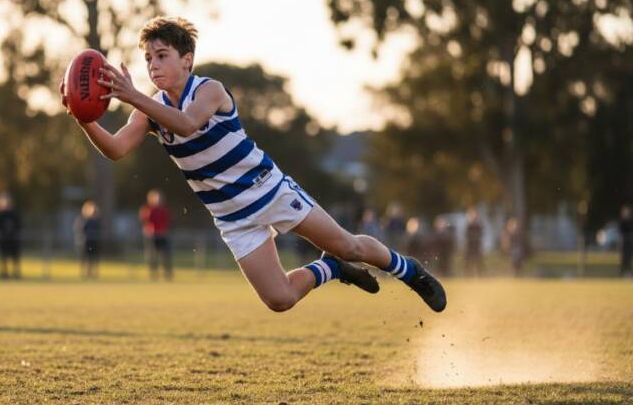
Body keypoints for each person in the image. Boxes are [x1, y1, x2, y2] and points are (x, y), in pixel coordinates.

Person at [60, 16, 446, 313]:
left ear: (187, 60)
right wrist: (83, 117)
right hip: (232, 217)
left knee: (349, 245)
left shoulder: (208, 91)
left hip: (268, 189)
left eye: (161, 56)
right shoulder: (149, 111)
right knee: (280, 300)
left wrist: (133, 96)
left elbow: (188, 123)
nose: (153, 66)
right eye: (148, 59)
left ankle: (408, 270)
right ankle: (331, 270)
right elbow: (114, 150)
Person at [138, 189, 173, 281]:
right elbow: (145, 221)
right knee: (152, 255)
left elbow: (167, 221)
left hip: (162, 234)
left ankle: (167, 274)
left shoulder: (164, 209)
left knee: (165, 255)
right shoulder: (147, 209)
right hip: (152, 235)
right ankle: (153, 274)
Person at [0, 192, 21, 279]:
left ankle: (16, 273)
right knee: (3, 257)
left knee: (15, 257)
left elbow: (19, 225)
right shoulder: (0, 214)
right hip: (3, 240)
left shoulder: (14, 213)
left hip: (13, 239)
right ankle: (4, 273)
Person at [76, 200, 101, 279]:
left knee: (94, 257)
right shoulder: (84, 220)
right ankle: (85, 273)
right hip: (86, 242)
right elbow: (80, 229)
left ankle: (93, 273)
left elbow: (99, 230)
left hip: (94, 241)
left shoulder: (96, 221)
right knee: (85, 257)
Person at [464, 208, 484, 277]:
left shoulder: (478, 224)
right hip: (470, 245)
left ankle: (480, 274)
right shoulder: (469, 225)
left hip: (476, 245)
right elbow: (467, 235)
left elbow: (480, 234)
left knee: (478, 260)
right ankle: (468, 273)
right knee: (468, 260)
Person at [619, 204, 633, 278]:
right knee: (624, 258)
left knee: (629, 258)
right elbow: (621, 234)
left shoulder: (631, 221)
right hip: (625, 243)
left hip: (630, 243)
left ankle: (628, 272)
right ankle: (623, 272)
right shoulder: (622, 222)